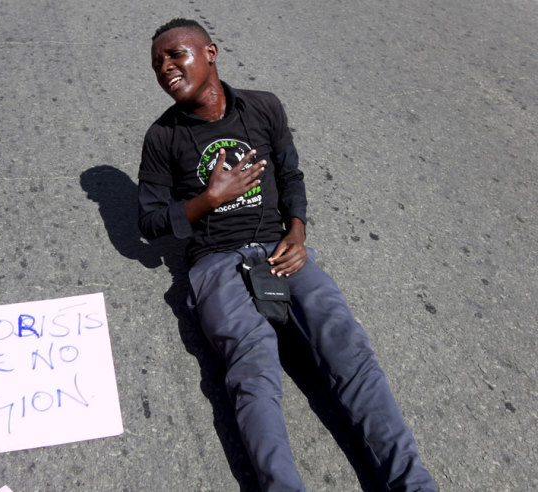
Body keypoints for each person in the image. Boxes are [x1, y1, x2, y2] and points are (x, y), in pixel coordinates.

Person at [137, 18, 436, 492]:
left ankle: (412, 483)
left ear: (210, 53)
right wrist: (208, 199)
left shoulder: (263, 108)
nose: (166, 67)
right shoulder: (163, 138)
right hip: (215, 263)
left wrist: (296, 232)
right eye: (158, 63)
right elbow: (150, 222)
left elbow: (291, 176)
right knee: (254, 368)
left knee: (349, 350)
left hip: (282, 251)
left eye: (176, 55)